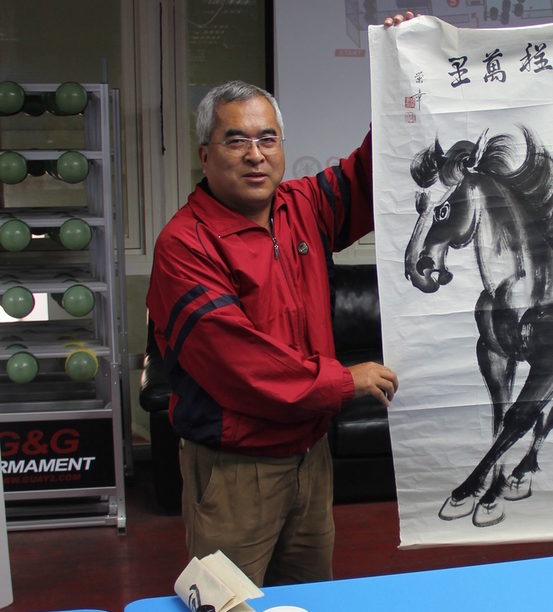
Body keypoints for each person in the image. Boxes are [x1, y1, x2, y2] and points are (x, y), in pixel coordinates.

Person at [147, 81, 398, 585]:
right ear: (204, 155)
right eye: (236, 140)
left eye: (267, 138)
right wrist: (344, 381)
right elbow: (239, 365)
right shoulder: (184, 246)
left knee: (308, 606)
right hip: (236, 470)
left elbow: (376, 175)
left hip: (311, 458)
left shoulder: (303, 206)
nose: (255, 155)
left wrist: (404, 85)